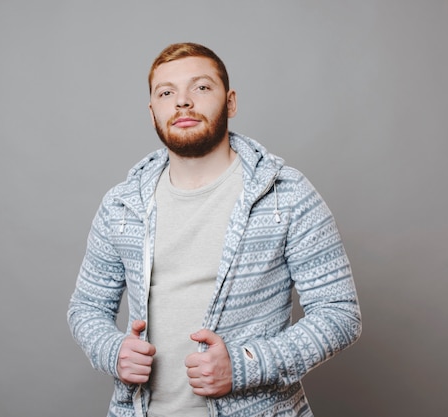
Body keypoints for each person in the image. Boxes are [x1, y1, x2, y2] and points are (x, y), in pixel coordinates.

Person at [67, 42, 361, 417]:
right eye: (166, 92)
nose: (183, 102)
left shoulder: (285, 194)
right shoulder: (122, 204)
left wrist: (244, 366)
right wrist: (113, 351)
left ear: (231, 102)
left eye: (201, 87)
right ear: (153, 110)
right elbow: (86, 308)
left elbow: (339, 313)